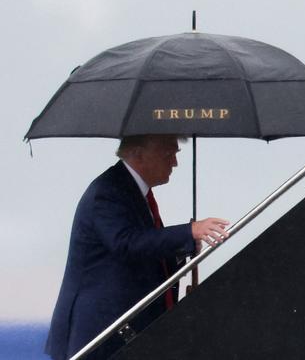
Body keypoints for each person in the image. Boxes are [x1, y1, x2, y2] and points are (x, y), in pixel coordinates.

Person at [44, 135, 229, 360]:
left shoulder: (132, 191)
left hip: (123, 334)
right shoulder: (107, 192)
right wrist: (188, 232)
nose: (174, 163)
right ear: (139, 154)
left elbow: (143, 253)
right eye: (168, 154)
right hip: (99, 336)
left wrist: (183, 252)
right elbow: (126, 243)